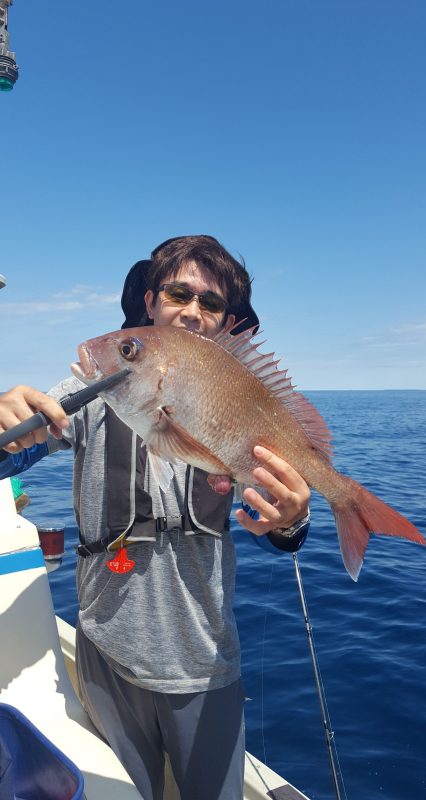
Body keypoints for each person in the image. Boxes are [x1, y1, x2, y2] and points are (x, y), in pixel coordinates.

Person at [0, 235, 310, 800]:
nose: (192, 311)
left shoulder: (237, 405)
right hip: (106, 655)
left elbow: (273, 531)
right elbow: (15, 450)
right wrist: (5, 426)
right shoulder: (92, 392)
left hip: (205, 662)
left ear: (223, 323)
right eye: (178, 293)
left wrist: (290, 519)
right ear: (150, 302)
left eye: (210, 304)